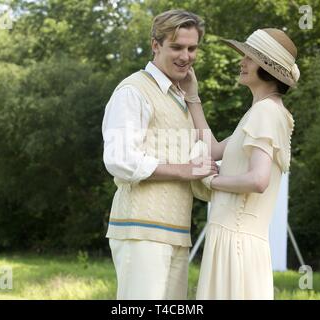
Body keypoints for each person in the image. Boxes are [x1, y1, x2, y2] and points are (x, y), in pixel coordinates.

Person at [101, 9, 217, 300]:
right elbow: (119, 159)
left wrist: (193, 97)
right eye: (176, 47)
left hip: (177, 231)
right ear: (155, 45)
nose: (186, 56)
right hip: (140, 229)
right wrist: (183, 170)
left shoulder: (180, 97)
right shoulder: (133, 91)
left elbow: (207, 154)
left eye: (192, 48)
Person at [181, 28, 299, 299]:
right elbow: (213, 149)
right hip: (237, 241)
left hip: (236, 241)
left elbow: (258, 180)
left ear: (268, 68)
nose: (241, 62)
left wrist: (212, 180)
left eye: (250, 57)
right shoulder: (262, 111)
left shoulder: (266, 112)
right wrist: (192, 96)